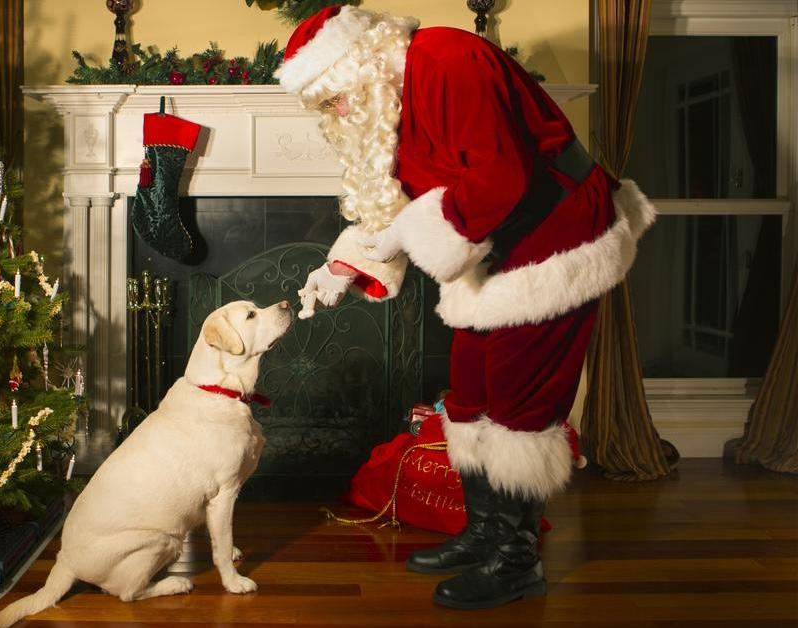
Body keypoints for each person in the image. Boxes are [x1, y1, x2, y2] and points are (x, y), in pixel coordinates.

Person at [275, 5, 655, 610]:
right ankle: (482, 534)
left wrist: (406, 236)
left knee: (520, 402)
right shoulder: (389, 97)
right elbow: (400, 202)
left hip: (553, 235)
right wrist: (345, 264)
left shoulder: (450, 61)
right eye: (324, 105)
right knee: (471, 391)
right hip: (494, 242)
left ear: (363, 61)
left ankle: (515, 558)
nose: (337, 113)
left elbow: (500, 178)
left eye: (335, 96)